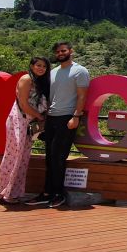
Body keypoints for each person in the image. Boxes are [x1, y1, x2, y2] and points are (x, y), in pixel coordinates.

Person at [26, 41, 89, 208]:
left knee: (58, 157)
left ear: (71, 51)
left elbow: (82, 96)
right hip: (52, 118)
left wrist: (76, 116)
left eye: (63, 50)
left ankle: (58, 193)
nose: (60, 53)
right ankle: (47, 193)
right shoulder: (53, 72)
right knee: (49, 157)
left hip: (67, 117)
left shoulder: (80, 71)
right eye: (58, 51)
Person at [0, 56, 50, 204]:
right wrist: (40, 117)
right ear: (32, 66)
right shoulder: (26, 79)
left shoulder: (39, 82)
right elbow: (24, 104)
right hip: (20, 120)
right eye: (38, 65)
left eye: (44, 66)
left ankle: (14, 193)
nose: (41, 68)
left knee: (23, 157)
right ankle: (5, 193)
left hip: (28, 122)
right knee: (14, 156)